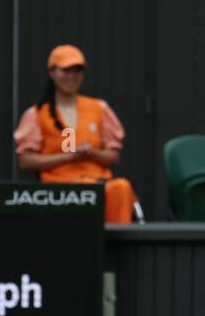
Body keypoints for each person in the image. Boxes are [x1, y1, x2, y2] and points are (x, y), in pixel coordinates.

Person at [14, 44, 136, 224]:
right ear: (52, 72)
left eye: (77, 71)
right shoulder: (37, 114)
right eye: (65, 70)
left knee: (122, 187)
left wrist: (92, 153)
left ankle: (116, 245)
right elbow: (25, 160)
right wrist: (66, 157)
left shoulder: (99, 108)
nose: (71, 77)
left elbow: (113, 156)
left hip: (97, 183)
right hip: (58, 189)